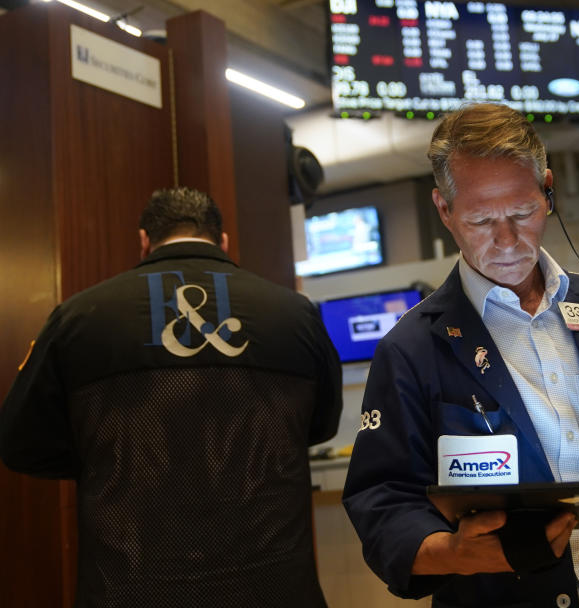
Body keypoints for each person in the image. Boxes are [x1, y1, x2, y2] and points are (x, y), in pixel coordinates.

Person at [342, 103, 579, 607]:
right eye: (479, 220)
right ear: (444, 210)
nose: (507, 241)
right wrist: (453, 553)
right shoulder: (411, 349)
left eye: (523, 212)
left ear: (548, 190)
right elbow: (382, 499)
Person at [0, 187, 343, 607]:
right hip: (272, 585)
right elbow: (321, 424)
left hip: (131, 587)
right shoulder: (294, 314)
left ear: (144, 240)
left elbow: (20, 443)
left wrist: (105, 457)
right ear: (224, 240)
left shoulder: (79, 317)